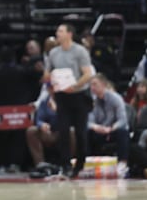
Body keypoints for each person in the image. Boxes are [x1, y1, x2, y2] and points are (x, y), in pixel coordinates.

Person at [43, 23, 94, 177]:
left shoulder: (80, 51)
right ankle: (65, 164)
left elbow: (87, 74)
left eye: (60, 31)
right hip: (61, 95)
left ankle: (80, 164)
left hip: (78, 95)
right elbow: (47, 74)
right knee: (63, 130)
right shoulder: (53, 53)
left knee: (80, 132)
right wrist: (50, 86)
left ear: (69, 34)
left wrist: (75, 85)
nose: (57, 33)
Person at [87, 74, 130, 177]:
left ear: (103, 85)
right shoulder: (91, 100)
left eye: (95, 84)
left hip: (113, 129)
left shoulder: (116, 98)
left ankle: (122, 164)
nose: (92, 88)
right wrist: (95, 127)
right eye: (91, 85)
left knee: (123, 131)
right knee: (86, 131)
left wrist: (111, 128)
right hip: (100, 129)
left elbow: (123, 120)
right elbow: (87, 121)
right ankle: (88, 162)